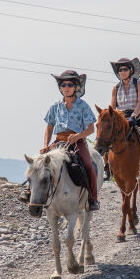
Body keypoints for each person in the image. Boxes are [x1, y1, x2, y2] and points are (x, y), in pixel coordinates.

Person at [20, 70, 99, 211]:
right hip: (58, 141)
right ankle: (29, 192)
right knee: (38, 164)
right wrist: (45, 145)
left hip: (77, 141)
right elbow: (49, 128)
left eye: (70, 84)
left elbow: (91, 129)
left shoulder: (83, 105)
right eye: (63, 85)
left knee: (88, 165)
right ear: (60, 88)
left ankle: (93, 199)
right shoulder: (54, 107)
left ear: (76, 87)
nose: (66, 87)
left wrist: (78, 136)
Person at [110, 57, 140, 138]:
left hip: (139, 118)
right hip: (123, 121)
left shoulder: (139, 83)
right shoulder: (115, 88)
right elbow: (113, 108)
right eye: (120, 70)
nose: (122, 72)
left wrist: (133, 116)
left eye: (125, 69)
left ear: (130, 70)